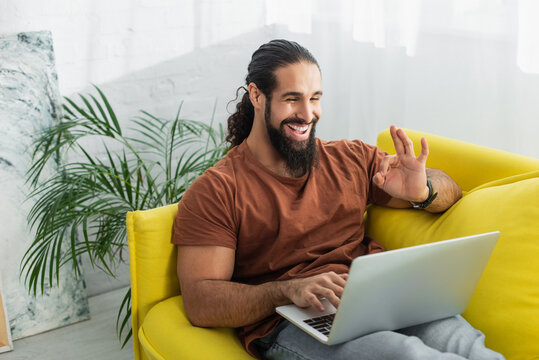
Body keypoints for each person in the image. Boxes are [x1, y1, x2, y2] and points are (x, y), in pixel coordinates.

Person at [172, 39, 504, 360]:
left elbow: (450, 191)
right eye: (292, 99)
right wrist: (286, 290)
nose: (307, 113)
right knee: (406, 356)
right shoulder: (217, 189)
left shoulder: (349, 157)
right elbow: (202, 301)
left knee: (467, 346)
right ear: (258, 97)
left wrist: (422, 191)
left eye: (315, 98)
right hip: (291, 320)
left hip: (377, 298)